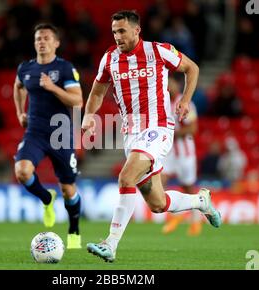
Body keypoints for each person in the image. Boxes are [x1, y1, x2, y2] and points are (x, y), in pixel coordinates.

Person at [81, 11, 221, 263]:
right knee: (157, 203)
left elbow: (192, 68)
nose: (117, 37)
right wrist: (89, 115)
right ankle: (201, 201)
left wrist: (186, 100)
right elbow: (98, 91)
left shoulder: (158, 51)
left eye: (122, 31)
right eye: (114, 32)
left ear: (137, 30)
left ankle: (110, 244)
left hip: (158, 129)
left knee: (125, 176)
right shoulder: (109, 59)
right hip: (131, 135)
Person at [13, 23, 83, 249]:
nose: (41, 42)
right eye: (38, 39)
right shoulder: (26, 68)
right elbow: (18, 87)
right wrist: (19, 111)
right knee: (22, 171)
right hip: (35, 132)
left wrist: (53, 88)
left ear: (56, 43)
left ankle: (74, 229)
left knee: (68, 189)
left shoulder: (64, 69)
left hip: (60, 134)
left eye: (46, 38)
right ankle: (46, 199)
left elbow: (77, 101)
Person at [161, 77, 201, 236]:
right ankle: (175, 216)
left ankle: (196, 221)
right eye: (166, 85)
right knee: (159, 182)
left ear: (176, 86)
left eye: (171, 84)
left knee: (189, 188)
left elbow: (193, 128)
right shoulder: (162, 104)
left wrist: (173, 133)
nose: (168, 87)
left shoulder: (186, 104)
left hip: (185, 154)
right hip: (168, 153)